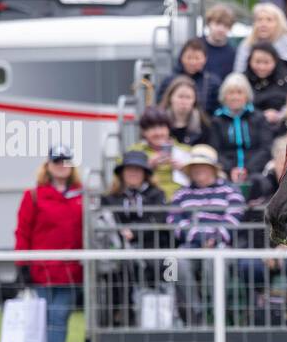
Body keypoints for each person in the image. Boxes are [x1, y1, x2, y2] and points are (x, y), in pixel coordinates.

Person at [14, 144, 83, 342]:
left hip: (71, 269)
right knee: (43, 313)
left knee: (60, 312)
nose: (62, 166)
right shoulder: (33, 196)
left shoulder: (82, 195)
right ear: (48, 165)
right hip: (41, 268)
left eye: (66, 161)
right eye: (57, 161)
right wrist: (22, 264)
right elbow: (23, 231)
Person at [166, 146, 245, 326]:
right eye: (194, 166)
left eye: (202, 165)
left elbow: (234, 218)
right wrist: (199, 237)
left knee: (213, 262)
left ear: (213, 169)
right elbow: (174, 220)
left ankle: (215, 312)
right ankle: (196, 315)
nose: (198, 170)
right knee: (174, 262)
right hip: (191, 245)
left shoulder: (230, 191)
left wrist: (214, 238)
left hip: (221, 246)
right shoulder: (181, 194)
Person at [102, 150, 168, 324]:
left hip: (156, 251)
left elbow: (160, 219)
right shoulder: (111, 198)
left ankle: (170, 317)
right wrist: (121, 233)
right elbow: (106, 221)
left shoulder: (157, 195)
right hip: (122, 251)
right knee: (117, 273)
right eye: (129, 169)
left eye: (138, 170)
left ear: (145, 173)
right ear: (122, 173)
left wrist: (136, 231)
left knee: (171, 272)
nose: (133, 173)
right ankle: (122, 318)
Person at [207, 73, 272, 185]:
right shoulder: (217, 121)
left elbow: (265, 148)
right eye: (231, 93)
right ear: (224, 96)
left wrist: (247, 169)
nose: (235, 97)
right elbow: (215, 151)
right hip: (225, 171)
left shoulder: (259, 118)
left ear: (246, 96)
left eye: (239, 93)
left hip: (256, 170)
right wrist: (230, 169)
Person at [236, 3, 287, 77]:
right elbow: (239, 74)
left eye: (269, 20)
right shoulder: (247, 45)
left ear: (279, 24)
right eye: (259, 20)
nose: (263, 24)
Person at [133, 106, 190, 200]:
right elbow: (120, 182)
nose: (158, 133)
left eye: (162, 127)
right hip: (147, 203)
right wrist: (146, 167)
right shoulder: (134, 152)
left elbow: (204, 180)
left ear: (169, 129)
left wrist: (186, 169)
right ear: (143, 132)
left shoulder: (186, 150)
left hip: (182, 203)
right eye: (152, 128)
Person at [159, 38, 222, 116]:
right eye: (189, 58)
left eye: (197, 58)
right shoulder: (169, 81)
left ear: (205, 59)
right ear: (181, 58)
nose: (192, 62)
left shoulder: (213, 82)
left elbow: (218, 109)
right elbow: (161, 106)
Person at [243, 40, 287, 128]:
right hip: (251, 128)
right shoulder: (243, 80)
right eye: (257, 62)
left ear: (275, 61)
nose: (262, 67)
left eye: (266, 62)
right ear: (250, 61)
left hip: (282, 127)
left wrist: (280, 115)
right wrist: (260, 115)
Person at [158, 75, 209, 147]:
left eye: (188, 97)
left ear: (194, 101)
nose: (184, 101)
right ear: (170, 98)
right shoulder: (158, 121)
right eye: (180, 96)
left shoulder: (203, 126)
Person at [201, 3, 237, 88]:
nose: (221, 29)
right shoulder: (196, 46)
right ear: (209, 23)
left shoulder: (232, 53)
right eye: (217, 24)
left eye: (226, 25)